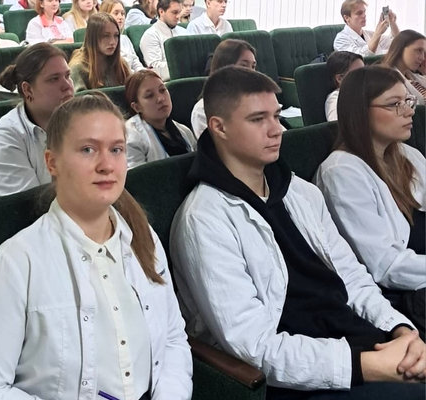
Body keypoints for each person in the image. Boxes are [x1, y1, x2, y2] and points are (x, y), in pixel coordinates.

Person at [170, 66, 426, 399]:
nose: (276, 130)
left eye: (276, 116)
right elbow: (253, 345)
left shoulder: (300, 192)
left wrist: (400, 330)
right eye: (258, 119)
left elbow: (351, 276)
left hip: (350, 338)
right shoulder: (204, 220)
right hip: (296, 377)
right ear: (219, 127)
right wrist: (366, 365)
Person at [0, 93, 193, 400]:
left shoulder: (143, 237)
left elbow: (173, 338)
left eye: (116, 149)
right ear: (52, 162)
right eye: (87, 149)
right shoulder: (13, 265)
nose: (106, 165)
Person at [315, 65, 425, 339]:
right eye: (394, 104)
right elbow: (386, 266)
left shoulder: (406, 154)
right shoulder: (341, 173)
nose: (409, 111)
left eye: (408, 101)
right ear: (360, 111)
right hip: (406, 294)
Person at [0, 43, 74, 200]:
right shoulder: (3, 140)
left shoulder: (79, 122)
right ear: (28, 89)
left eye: (68, 76)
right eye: (54, 79)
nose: (67, 86)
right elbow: (33, 207)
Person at [125, 69, 195, 168]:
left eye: (162, 90)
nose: (160, 99)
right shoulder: (131, 137)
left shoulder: (184, 131)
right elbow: (138, 176)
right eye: (150, 96)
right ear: (137, 107)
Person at [191, 38, 257, 137]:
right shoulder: (202, 110)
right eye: (244, 65)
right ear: (224, 67)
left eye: (253, 66)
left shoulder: (258, 100)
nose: (251, 72)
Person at [69, 13, 131, 92]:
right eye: (106, 36)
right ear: (93, 38)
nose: (112, 42)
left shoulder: (121, 64)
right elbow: (80, 98)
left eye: (116, 35)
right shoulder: (77, 68)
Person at [139, 0, 187, 81]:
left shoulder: (184, 32)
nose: (178, 16)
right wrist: (184, 66)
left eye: (180, 12)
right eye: (174, 12)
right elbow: (155, 68)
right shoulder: (150, 35)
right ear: (161, 12)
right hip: (166, 82)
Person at [334, 0, 399, 57]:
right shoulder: (341, 40)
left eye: (364, 12)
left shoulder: (369, 34)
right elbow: (361, 59)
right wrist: (378, 33)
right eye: (359, 13)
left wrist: (393, 23)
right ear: (346, 18)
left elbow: (396, 42)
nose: (364, 15)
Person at [381, 30, 426, 105]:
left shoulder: (414, 77)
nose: (422, 58)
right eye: (419, 50)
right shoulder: (388, 81)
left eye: (423, 52)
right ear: (401, 49)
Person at [99, 0, 146, 72]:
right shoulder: (102, 41)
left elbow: (135, 62)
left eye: (122, 13)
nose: (120, 17)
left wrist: (144, 73)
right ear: (105, 16)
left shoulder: (125, 38)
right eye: (116, 13)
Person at [325, 51, 364, 121]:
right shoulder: (335, 100)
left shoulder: (366, 92)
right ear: (340, 78)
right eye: (358, 74)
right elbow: (337, 126)